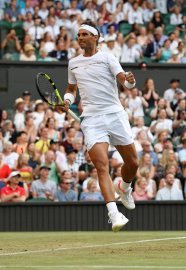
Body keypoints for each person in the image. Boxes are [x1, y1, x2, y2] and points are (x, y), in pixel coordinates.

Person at [58, 20, 139, 232]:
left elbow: (125, 83)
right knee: (101, 165)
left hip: (115, 114)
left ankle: (125, 187)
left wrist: (131, 81)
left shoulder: (108, 58)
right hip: (92, 119)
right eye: (79, 35)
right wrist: (67, 101)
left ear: (95, 37)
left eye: (85, 34)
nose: (81, 37)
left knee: (133, 164)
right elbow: (70, 89)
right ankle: (114, 213)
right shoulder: (73, 63)